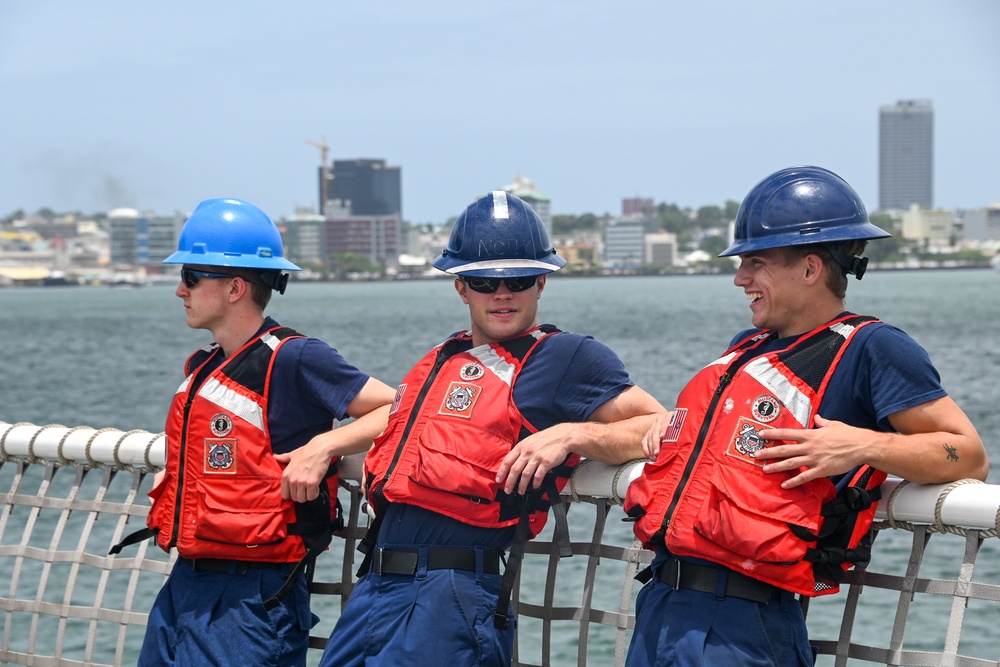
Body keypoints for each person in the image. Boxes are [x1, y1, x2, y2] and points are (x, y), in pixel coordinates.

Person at [623, 166, 989, 667]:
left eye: (755, 262)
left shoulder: (873, 348)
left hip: (743, 624)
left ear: (811, 268)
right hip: (662, 606)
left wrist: (863, 446)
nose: (740, 278)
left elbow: (968, 455)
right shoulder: (748, 348)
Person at [310, 190, 666, 667]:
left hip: (452, 591)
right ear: (460, 286)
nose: (502, 293)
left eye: (517, 279)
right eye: (483, 280)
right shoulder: (444, 358)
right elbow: (398, 419)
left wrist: (572, 435)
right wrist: (327, 443)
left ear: (541, 281)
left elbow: (660, 423)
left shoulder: (564, 358)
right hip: (375, 586)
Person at [110, 198, 396, 666]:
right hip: (187, 581)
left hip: (254, 595)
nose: (179, 291)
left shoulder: (295, 357)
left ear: (234, 287)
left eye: (190, 277)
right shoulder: (205, 365)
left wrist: (325, 445)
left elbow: (398, 408)